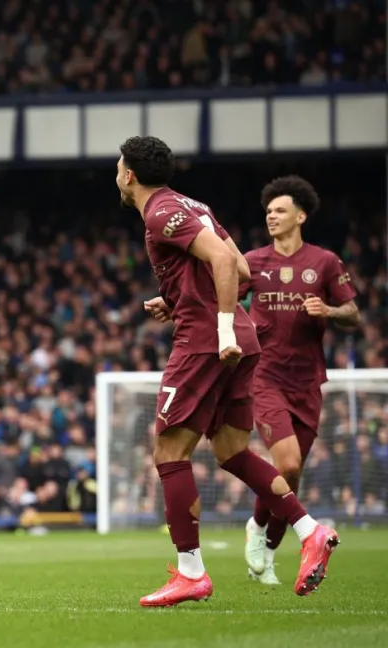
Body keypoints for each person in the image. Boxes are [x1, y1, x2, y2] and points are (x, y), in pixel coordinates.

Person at [121, 136, 338, 606]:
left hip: (206, 344)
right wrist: (179, 299)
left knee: (168, 451)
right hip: (244, 337)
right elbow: (242, 268)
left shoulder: (160, 212)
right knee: (232, 450)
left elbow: (224, 262)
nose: (117, 174)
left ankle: (191, 572)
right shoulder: (193, 204)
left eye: (118, 167)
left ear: (129, 175)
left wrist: (219, 329)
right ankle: (310, 530)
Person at [238, 176, 359, 585]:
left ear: (301, 216)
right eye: (268, 211)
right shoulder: (253, 261)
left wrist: (328, 309)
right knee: (285, 462)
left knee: (290, 475)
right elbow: (217, 287)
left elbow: (353, 313)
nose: (271, 216)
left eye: (280, 210)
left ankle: (268, 550)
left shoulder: (323, 262)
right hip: (265, 375)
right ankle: (256, 531)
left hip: (308, 381)